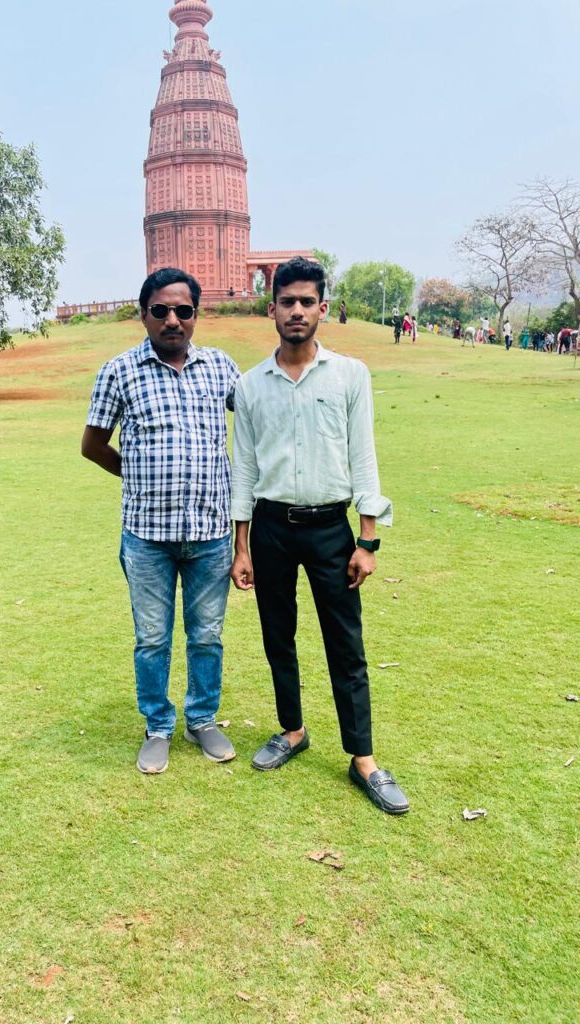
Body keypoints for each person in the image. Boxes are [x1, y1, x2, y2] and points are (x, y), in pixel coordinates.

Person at [229, 257, 408, 815]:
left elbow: (364, 458)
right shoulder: (250, 386)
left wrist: (368, 539)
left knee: (345, 645)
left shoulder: (350, 374)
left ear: (323, 309)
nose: (298, 311)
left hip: (333, 529)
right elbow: (244, 470)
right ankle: (292, 730)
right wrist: (242, 546)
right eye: (288, 302)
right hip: (273, 529)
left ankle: (364, 760)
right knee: (278, 637)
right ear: (272, 309)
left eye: (308, 302)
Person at [82, 268, 239, 774]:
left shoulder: (220, 368)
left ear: (197, 313)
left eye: (183, 311)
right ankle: (157, 725)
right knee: (152, 637)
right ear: (143, 313)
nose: (173, 320)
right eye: (161, 311)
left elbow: (259, 424)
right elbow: (93, 445)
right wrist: (139, 476)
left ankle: (202, 717)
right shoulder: (120, 371)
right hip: (148, 537)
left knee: (207, 635)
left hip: (211, 534)